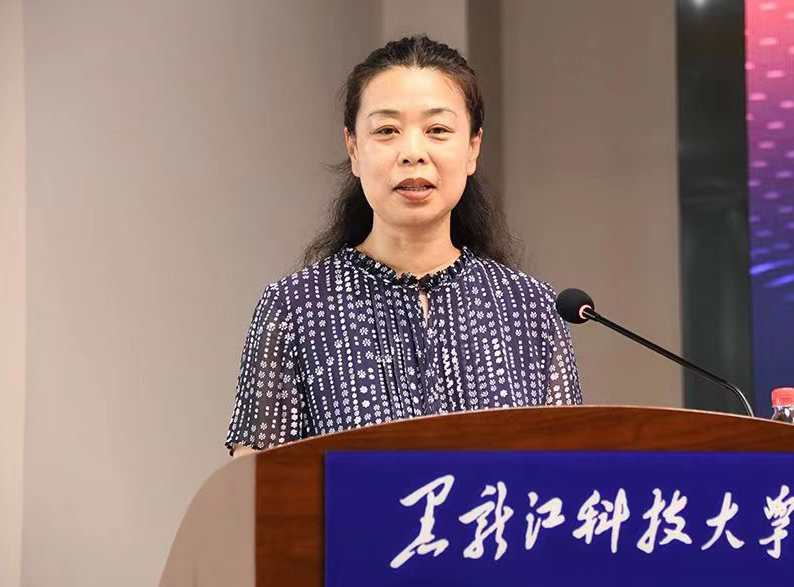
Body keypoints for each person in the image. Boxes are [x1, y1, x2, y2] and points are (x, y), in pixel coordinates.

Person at [225, 35, 582, 457]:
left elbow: (566, 475)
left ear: (472, 148)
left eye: (438, 130)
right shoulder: (296, 307)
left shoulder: (532, 308)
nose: (413, 153)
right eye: (387, 131)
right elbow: (255, 485)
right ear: (353, 149)